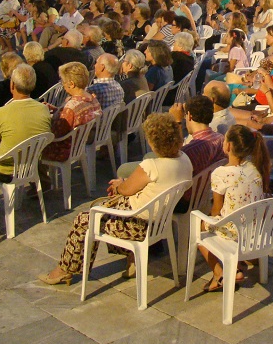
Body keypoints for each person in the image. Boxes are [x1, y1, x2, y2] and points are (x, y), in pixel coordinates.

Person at [38, 113, 193, 285]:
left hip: (138, 225)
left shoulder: (151, 166)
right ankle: (132, 257)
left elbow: (126, 190)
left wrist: (119, 185)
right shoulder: (185, 160)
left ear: (153, 142)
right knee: (104, 210)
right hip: (160, 222)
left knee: (83, 220)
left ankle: (64, 270)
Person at [197, 124, 270, 292]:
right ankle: (236, 266)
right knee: (233, 214)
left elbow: (216, 209)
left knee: (200, 232)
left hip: (234, 231)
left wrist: (206, 218)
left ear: (228, 146)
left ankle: (219, 274)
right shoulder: (255, 168)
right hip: (254, 229)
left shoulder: (221, 173)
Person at [0, 64, 52, 220]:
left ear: (12, 85)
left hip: (6, 170)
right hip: (32, 166)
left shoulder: (1, 113)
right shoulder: (43, 109)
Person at [42, 62, 102, 162]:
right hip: (80, 144)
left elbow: (57, 132)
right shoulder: (92, 98)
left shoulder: (71, 107)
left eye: (63, 81)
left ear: (71, 84)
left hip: (65, 148)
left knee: (34, 149)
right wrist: (57, 110)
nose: (62, 83)